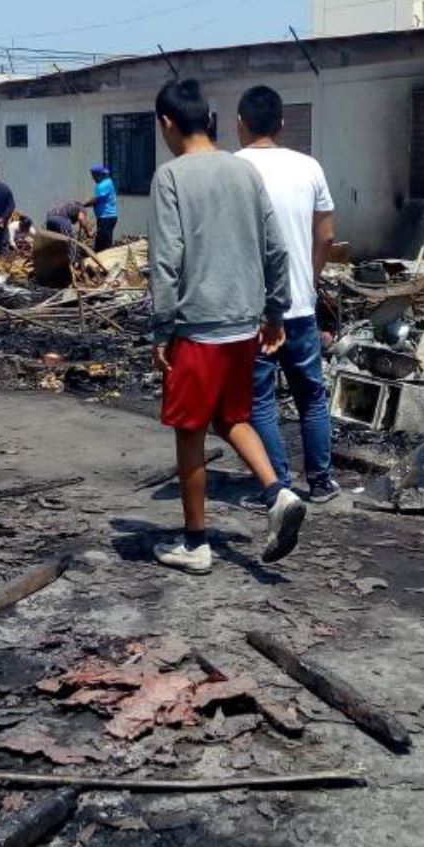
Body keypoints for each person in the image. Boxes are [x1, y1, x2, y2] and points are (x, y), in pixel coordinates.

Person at [147, 78, 307, 575]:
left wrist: (161, 329)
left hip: (197, 326)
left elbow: (167, 260)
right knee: (231, 417)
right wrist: (275, 312)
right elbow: (276, 248)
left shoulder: (171, 177)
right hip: (243, 325)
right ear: (210, 120)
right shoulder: (244, 173)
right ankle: (278, 493)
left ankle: (196, 544)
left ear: (168, 123)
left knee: (189, 430)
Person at [235, 86, 341, 503]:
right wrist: (309, 281)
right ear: (281, 123)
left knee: (259, 399)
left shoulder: (233, 168)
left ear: (239, 123)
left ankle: (277, 487)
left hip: (252, 309)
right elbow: (327, 234)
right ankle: (319, 481)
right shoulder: (308, 167)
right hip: (299, 304)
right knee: (310, 395)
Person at [82, 163, 120, 251]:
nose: (93, 178)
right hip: (104, 218)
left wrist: (84, 205)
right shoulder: (105, 183)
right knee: (100, 242)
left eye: (94, 175)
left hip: (106, 217)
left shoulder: (104, 185)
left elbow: (96, 200)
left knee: (105, 244)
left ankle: (106, 261)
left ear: (99, 174)